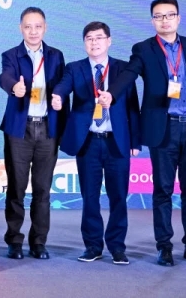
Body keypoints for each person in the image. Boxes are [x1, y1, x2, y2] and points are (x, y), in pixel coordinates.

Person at [111, 0, 186, 266]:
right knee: (163, 190)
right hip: (163, 128)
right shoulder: (143, 49)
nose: (164, 20)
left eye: (169, 15)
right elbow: (129, 74)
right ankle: (164, 247)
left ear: (178, 18)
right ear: (152, 20)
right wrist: (112, 93)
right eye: (159, 16)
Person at [51, 22, 141, 265]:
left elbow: (132, 105)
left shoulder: (123, 69)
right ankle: (92, 246)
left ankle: (117, 247)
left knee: (118, 197)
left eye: (99, 37)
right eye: (89, 38)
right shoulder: (75, 68)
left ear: (109, 41)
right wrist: (58, 96)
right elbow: (63, 86)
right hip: (89, 141)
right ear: (84, 43)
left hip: (117, 142)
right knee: (89, 197)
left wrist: (136, 141)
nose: (94, 42)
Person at [0, 6, 66, 260]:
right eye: (28, 26)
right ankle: (14, 241)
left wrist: (60, 98)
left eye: (38, 26)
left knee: (42, 190)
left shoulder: (56, 56)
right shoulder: (11, 55)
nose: (33, 31)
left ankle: (39, 242)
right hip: (20, 129)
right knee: (16, 188)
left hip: (47, 129)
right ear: (21, 29)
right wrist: (14, 87)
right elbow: (5, 76)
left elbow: (63, 84)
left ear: (45, 28)